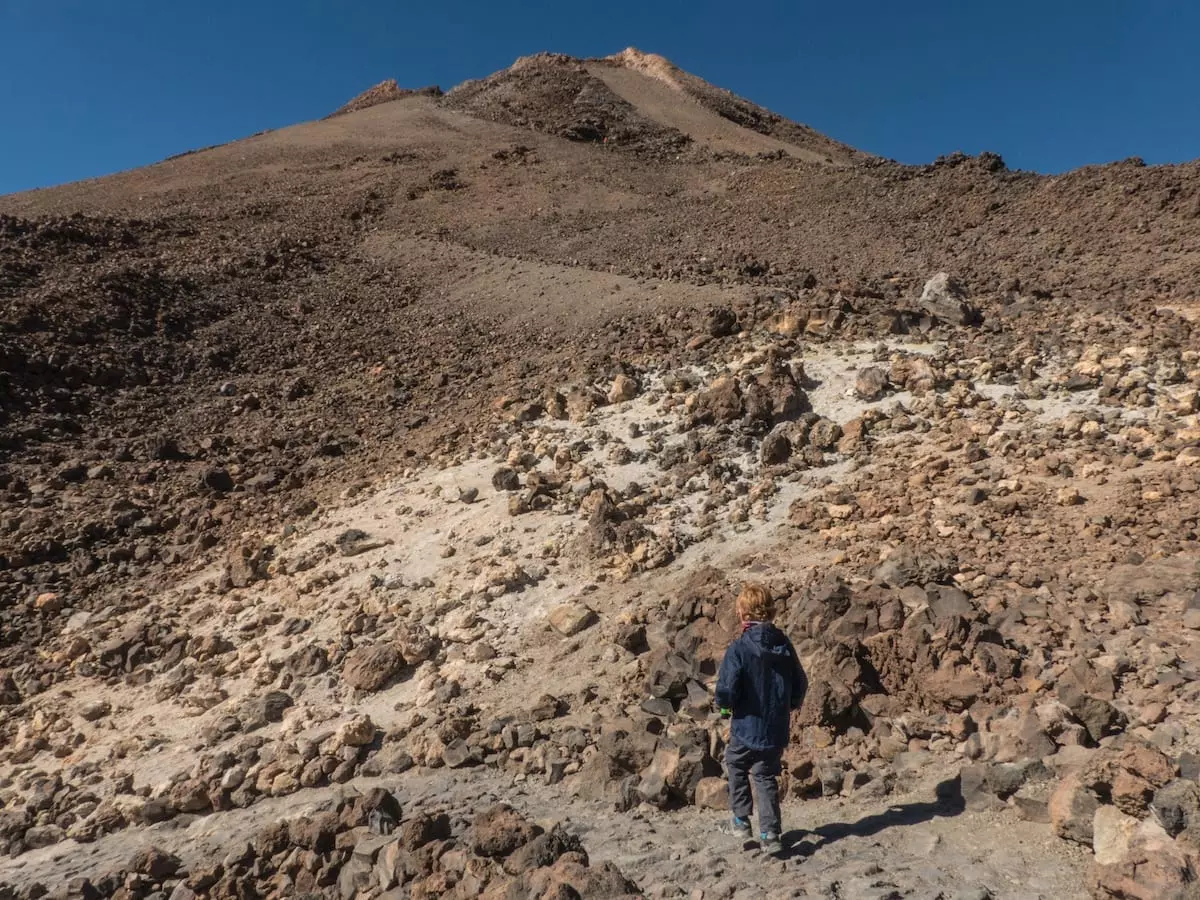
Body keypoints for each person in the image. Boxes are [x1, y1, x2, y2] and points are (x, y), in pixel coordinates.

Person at [714, 582, 807, 855]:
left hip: (745, 725)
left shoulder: (740, 648)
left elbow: (727, 687)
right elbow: (800, 681)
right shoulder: (784, 644)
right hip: (775, 726)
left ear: (743, 614)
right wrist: (789, 705)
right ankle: (770, 834)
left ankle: (741, 820)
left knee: (735, 762)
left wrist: (724, 708)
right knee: (766, 776)